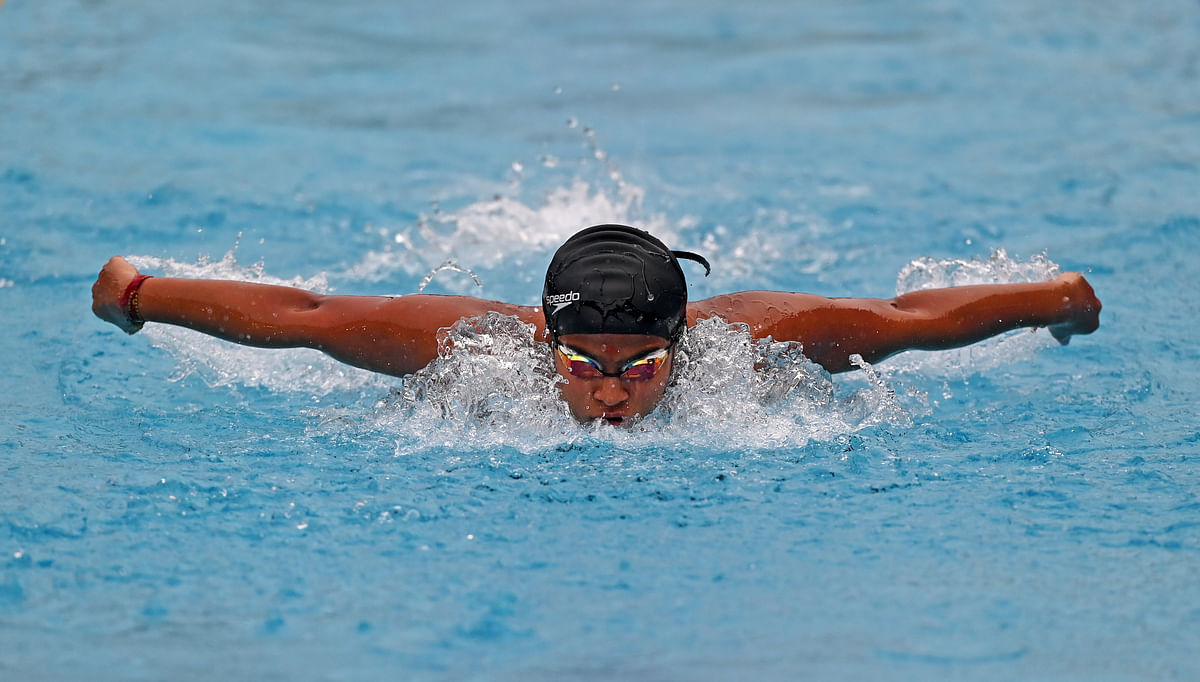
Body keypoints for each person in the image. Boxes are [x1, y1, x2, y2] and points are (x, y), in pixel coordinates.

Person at [92, 224, 1101, 425]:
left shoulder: (753, 343)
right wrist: (136, 296)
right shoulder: (470, 344)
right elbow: (306, 315)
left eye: (639, 367)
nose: (610, 390)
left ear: (684, 342)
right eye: (582, 362)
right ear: (543, 338)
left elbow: (908, 319)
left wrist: (1055, 301)